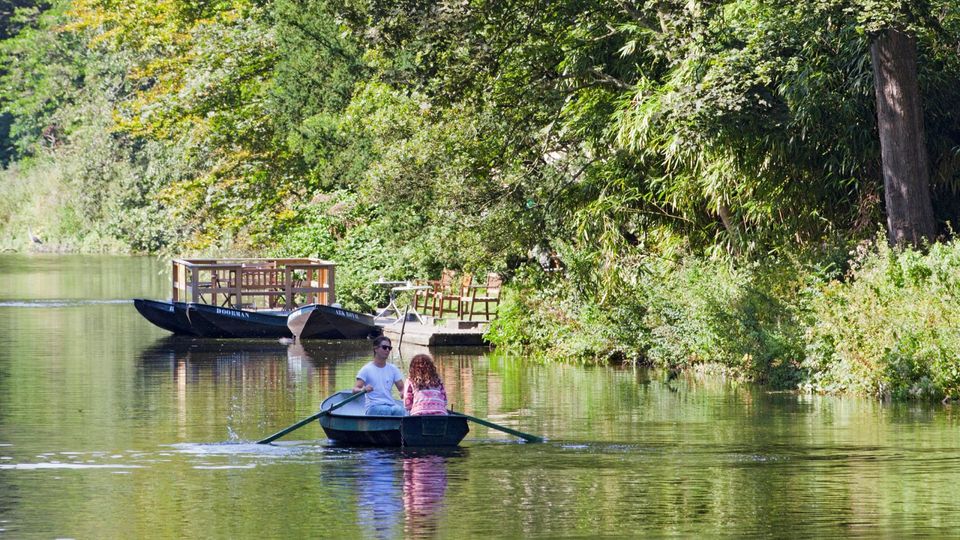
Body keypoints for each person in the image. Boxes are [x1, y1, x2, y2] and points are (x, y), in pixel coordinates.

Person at [354, 335, 405, 416]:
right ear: (376, 349)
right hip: (373, 407)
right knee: (385, 411)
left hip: (390, 405)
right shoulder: (366, 369)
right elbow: (355, 389)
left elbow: (402, 388)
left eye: (389, 348)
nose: (387, 350)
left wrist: (404, 394)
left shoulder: (393, 369)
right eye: (384, 347)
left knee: (400, 410)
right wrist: (363, 390)